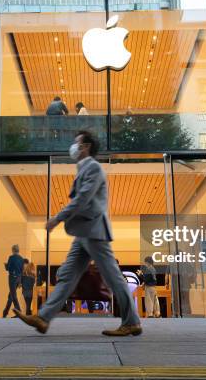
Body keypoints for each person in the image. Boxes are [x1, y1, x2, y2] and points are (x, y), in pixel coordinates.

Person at [13, 131, 142, 336]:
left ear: (86, 147)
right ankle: (43, 318)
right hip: (84, 233)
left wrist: (57, 218)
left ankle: (132, 321)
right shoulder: (84, 168)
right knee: (67, 276)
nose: (73, 147)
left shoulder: (94, 168)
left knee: (114, 278)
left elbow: (82, 198)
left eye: (77, 143)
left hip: (94, 231)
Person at [2, 244, 24, 318]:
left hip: (12, 278)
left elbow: (8, 268)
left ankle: (19, 312)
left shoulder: (11, 257)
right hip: (18, 278)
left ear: (13, 250)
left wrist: (5, 265)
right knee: (11, 295)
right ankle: (5, 312)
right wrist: (20, 281)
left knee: (13, 295)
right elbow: (22, 270)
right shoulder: (21, 259)